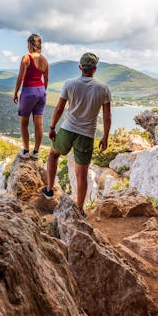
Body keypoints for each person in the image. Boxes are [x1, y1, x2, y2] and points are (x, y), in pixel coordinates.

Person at [41, 52, 111, 215]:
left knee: (53, 155)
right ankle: (79, 209)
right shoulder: (103, 89)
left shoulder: (69, 84)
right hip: (87, 135)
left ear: (80, 67)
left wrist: (52, 127)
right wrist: (105, 137)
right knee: (82, 173)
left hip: (68, 129)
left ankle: (49, 190)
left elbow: (59, 108)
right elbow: (107, 116)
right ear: (95, 69)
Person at [13, 34, 49, 159]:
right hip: (41, 91)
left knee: (24, 123)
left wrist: (16, 92)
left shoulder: (26, 58)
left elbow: (20, 78)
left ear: (30, 45)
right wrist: (42, 92)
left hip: (29, 91)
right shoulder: (45, 60)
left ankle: (26, 151)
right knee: (38, 124)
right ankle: (36, 152)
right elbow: (46, 79)